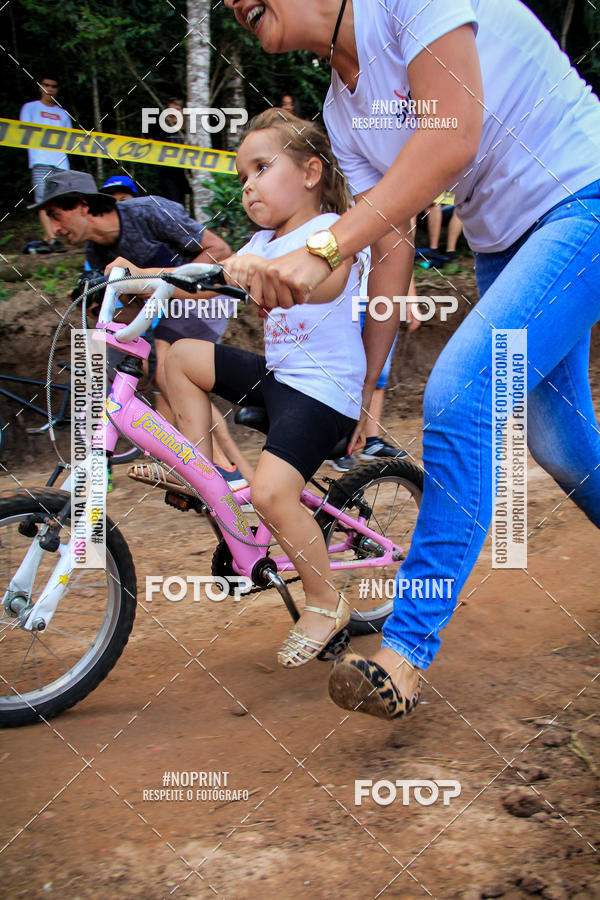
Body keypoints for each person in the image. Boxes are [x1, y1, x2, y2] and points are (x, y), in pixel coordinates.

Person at [224, 0, 600, 719]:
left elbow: (451, 137)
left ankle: (406, 653)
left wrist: (325, 247)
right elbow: (391, 240)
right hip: (506, 246)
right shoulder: (340, 110)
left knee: (461, 397)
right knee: (557, 439)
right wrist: (371, 380)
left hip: (585, 199)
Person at [164, 109, 366, 667]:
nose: (248, 184)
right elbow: (209, 291)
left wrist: (255, 267)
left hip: (324, 390)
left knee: (271, 494)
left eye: (260, 167)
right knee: (180, 358)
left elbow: (325, 286)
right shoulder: (260, 240)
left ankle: (326, 604)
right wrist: (152, 279)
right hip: (279, 377)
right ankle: (199, 468)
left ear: (309, 173)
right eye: (241, 176)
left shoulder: (331, 233)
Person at [32, 169, 251, 484]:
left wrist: (143, 274)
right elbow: (136, 303)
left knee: (168, 370)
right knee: (164, 382)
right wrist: (95, 308)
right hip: (168, 307)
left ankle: (216, 467)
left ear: (82, 205)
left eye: (56, 215)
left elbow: (219, 253)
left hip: (210, 294)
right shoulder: (96, 252)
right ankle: (217, 468)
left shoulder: (147, 212)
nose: (53, 229)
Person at [20, 75, 71, 252]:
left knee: (59, 202)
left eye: (53, 86)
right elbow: (22, 132)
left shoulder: (63, 113)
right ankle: (51, 239)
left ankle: (50, 237)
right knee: (42, 201)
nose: (49, 88)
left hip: (61, 163)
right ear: (40, 87)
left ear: (57, 89)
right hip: (40, 160)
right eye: (46, 85)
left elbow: (69, 139)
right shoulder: (30, 108)